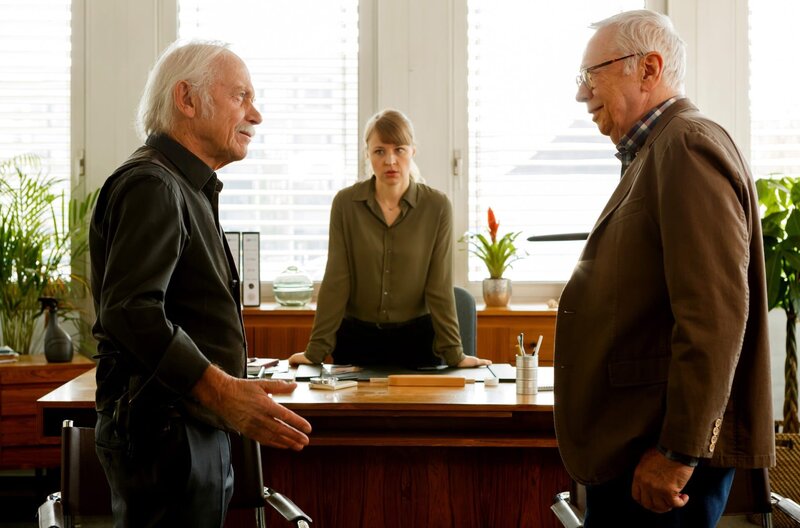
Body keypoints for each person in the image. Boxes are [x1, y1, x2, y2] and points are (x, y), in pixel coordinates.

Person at [554, 10, 774, 527]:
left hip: (660, 457)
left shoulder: (686, 145)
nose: (581, 94)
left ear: (648, 70)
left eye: (592, 75)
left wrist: (679, 453)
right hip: (637, 445)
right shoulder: (656, 149)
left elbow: (713, 316)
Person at [89, 40, 312, 527]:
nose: (256, 114)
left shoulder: (185, 186)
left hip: (192, 429)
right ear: (187, 100)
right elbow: (131, 311)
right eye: (240, 97)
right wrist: (220, 390)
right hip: (168, 438)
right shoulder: (154, 184)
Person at [289, 109, 490, 369]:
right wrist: (314, 352)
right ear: (368, 155)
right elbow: (337, 280)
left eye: (399, 150)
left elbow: (439, 285)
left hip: (417, 340)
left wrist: (455, 354)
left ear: (413, 151)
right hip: (356, 340)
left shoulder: (437, 206)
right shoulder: (345, 204)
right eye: (380, 151)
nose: (390, 161)